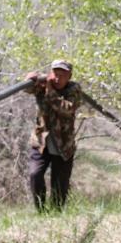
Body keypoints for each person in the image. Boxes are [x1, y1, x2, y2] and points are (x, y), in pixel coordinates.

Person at [24, 59, 83, 211]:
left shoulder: (74, 90)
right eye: (55, 74)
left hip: (64, 145)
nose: (57, 78)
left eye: (62, 75)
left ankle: (56, 216)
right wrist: (31, 78)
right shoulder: (43, 84)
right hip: (41, 142)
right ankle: (41, 212)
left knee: (60, 187)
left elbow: (65, 108)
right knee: (35, 175)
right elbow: (27, 88)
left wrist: (49, 89)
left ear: (69, 76)